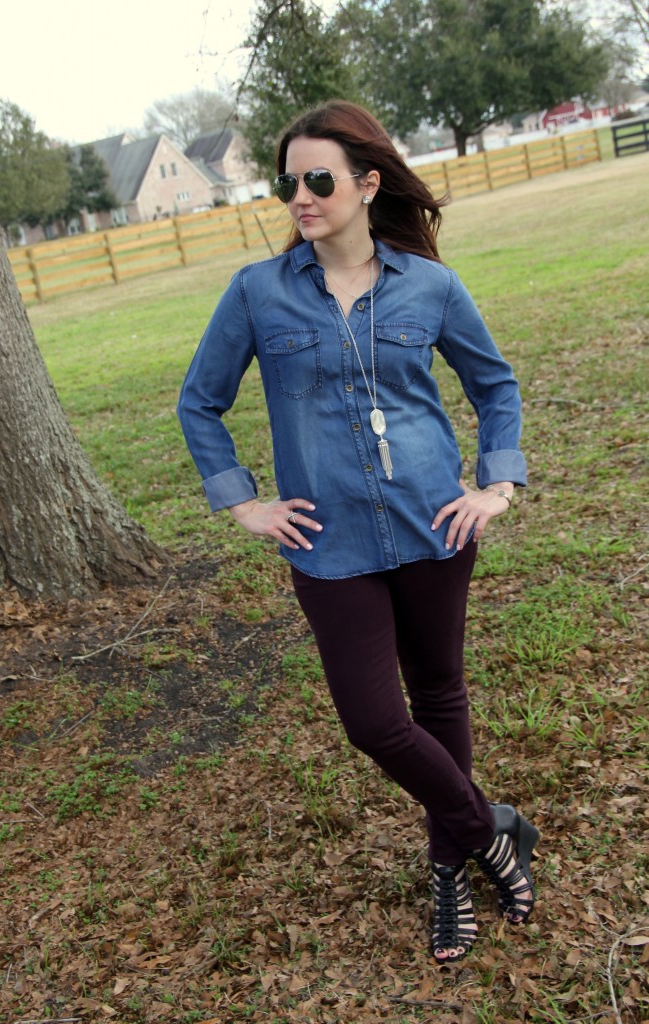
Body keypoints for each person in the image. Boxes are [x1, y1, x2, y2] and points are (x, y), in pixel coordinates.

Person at [177, 100, 539, 963]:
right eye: (288, 182)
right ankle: (492, 829)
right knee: (375, 720)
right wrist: (244, 503)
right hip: (326, 542)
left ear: (367, 184)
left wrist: (498, 483)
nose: (300, 196)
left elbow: (496, 385)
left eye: (318, 179)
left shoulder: (431, 286)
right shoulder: (258, 292)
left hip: (432, 524)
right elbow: (200, 401)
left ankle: (449, 869)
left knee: (440, 695)